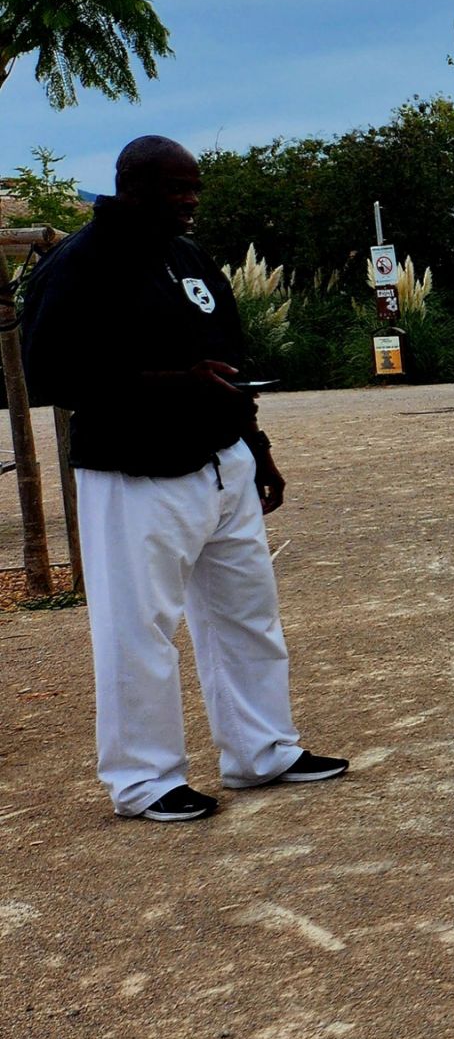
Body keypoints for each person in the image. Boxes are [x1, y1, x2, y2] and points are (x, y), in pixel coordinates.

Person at [21, 136, 346, 823]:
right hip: (135, 473)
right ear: (132, 187)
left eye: (194, 187)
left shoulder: (188, 257)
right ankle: (144, 780)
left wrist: (257, 448)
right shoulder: (78, 264)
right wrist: (173, 383)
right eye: (177, 188)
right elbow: (50, 374)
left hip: (222, 465)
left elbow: (228, 361)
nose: (191, 199)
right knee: (137, 632)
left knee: (246, 616)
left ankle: (262, 751)